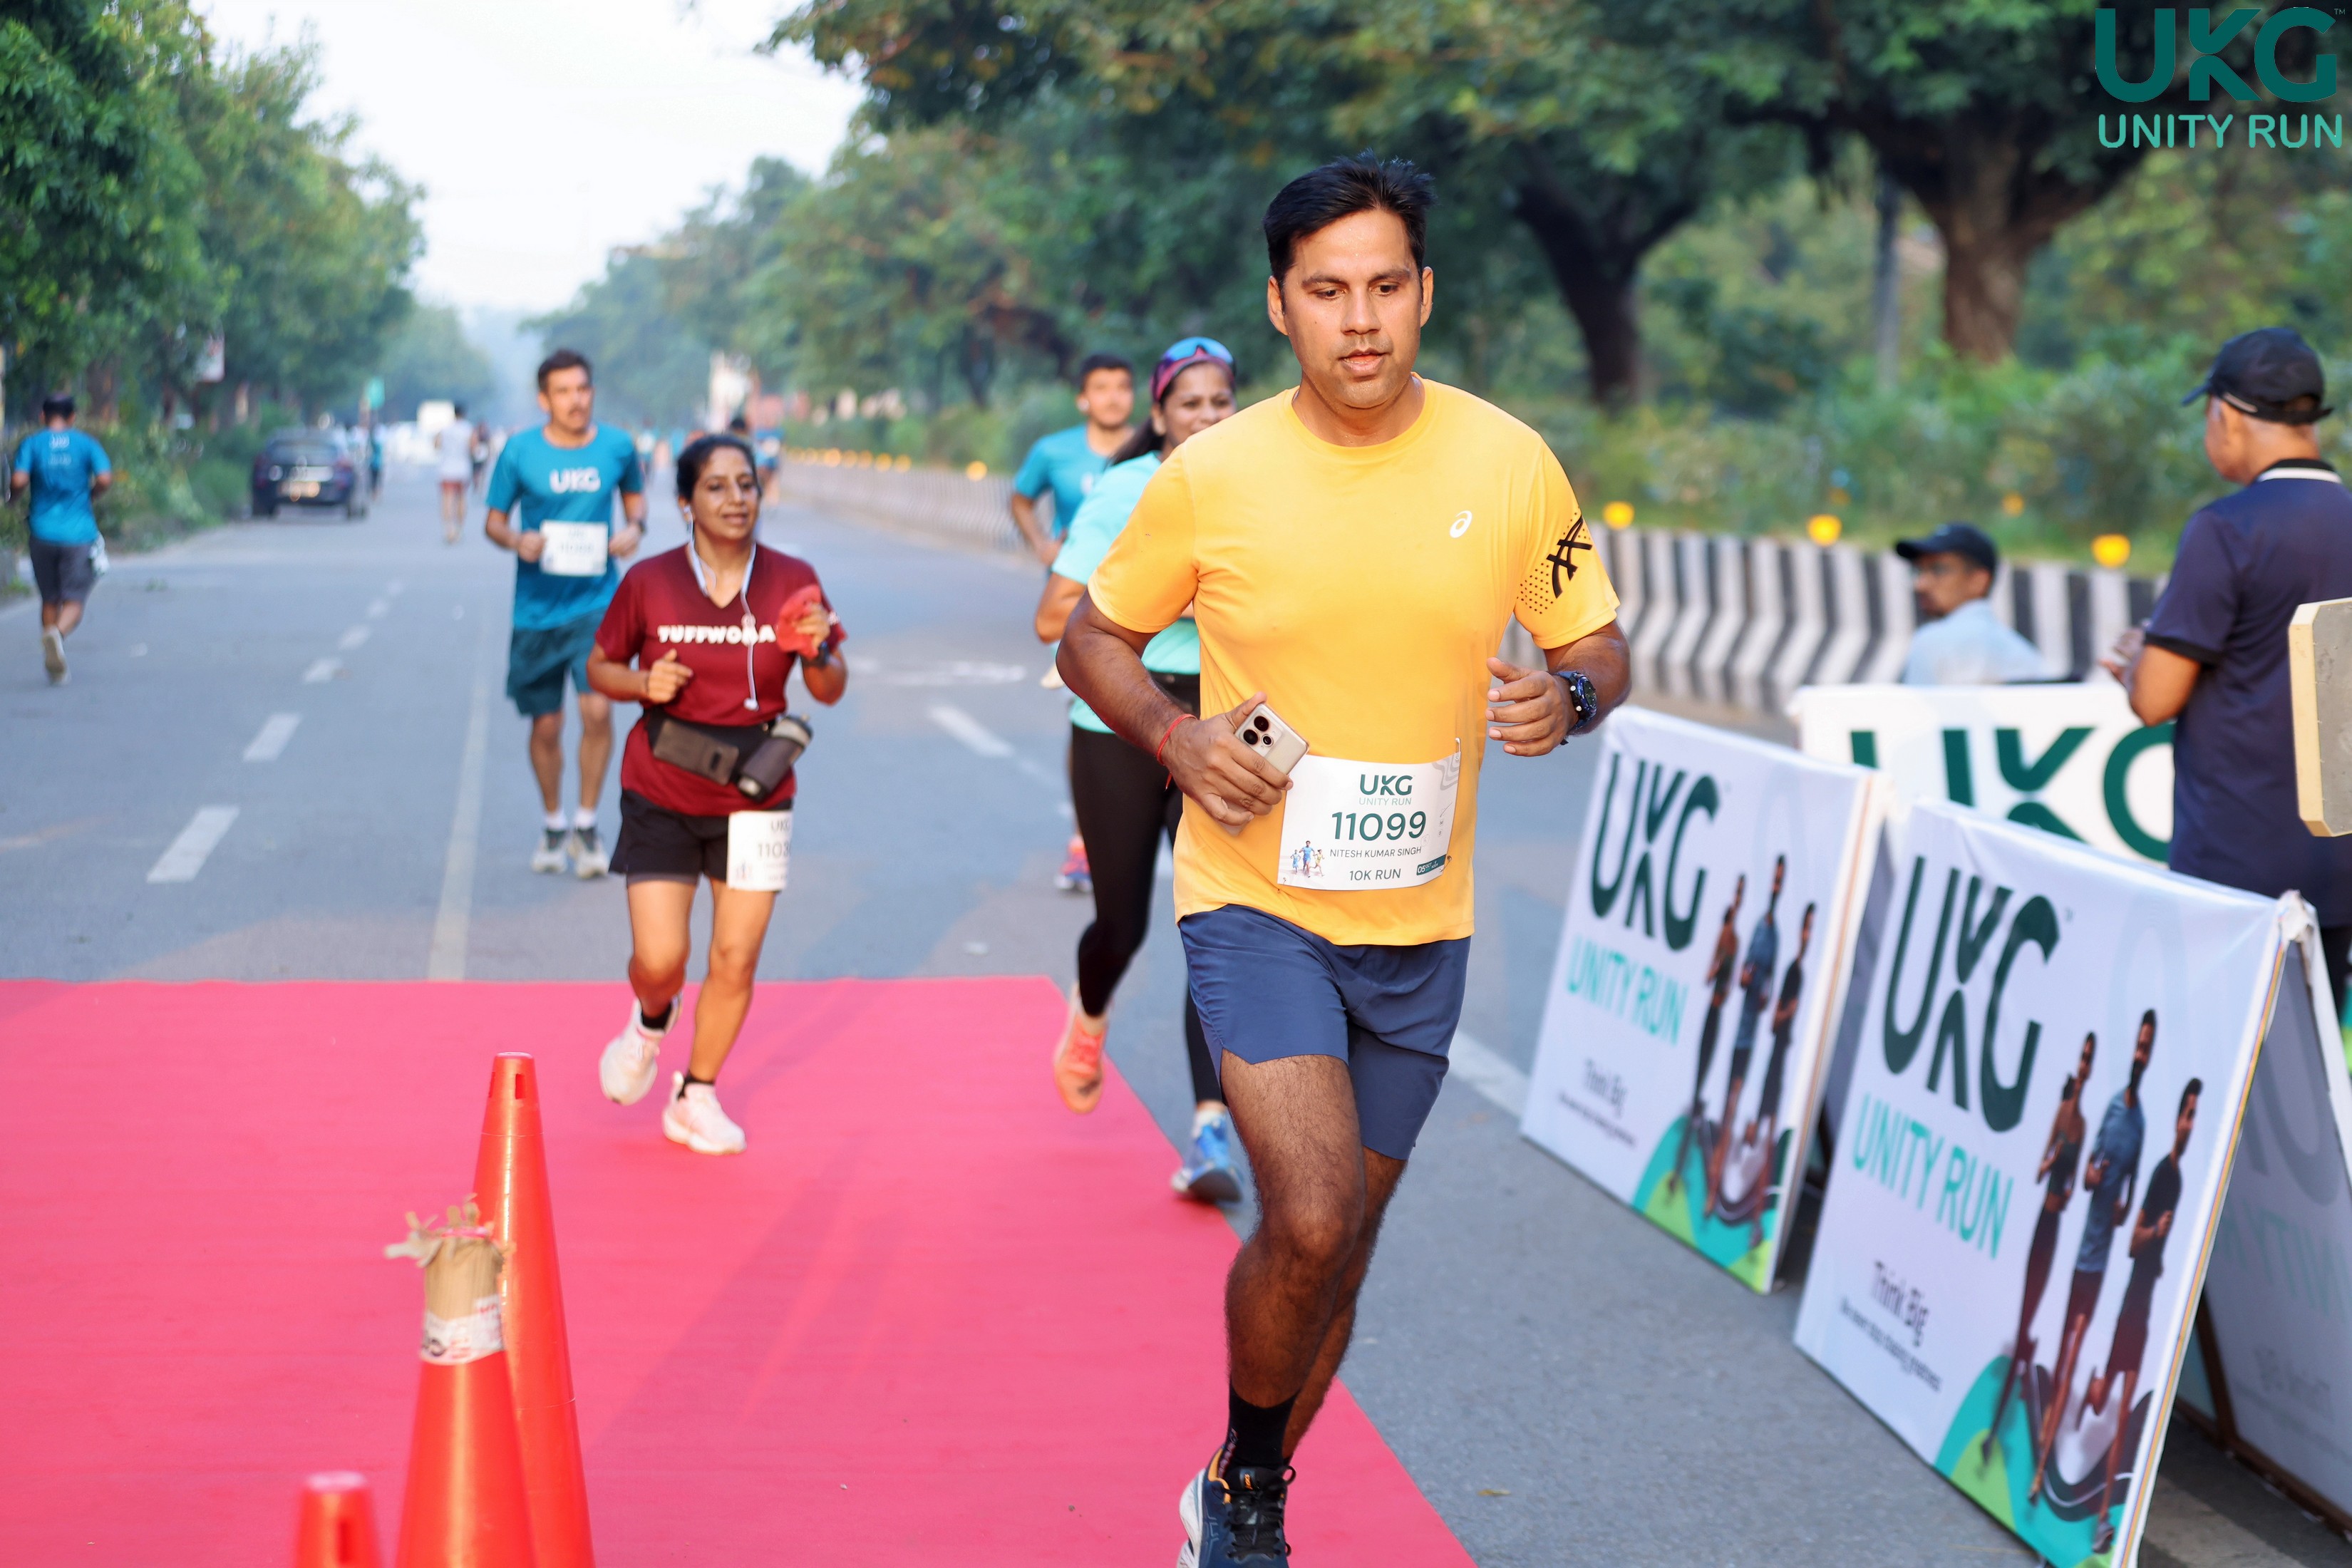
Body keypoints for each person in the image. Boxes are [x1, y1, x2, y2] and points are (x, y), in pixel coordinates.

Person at [1057, 153, 1629, 1566]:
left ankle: (1236, 1479)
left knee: (1344, 1242)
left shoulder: (1510, 462)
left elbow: (1595, 641)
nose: (1359, 320)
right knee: (1309, 1215)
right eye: (1326, 291)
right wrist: (1177, 738)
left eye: (1384, 287)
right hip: (1257, 901)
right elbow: (1092, 635)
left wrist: (1572, 699)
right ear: (1280, 305)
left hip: (1423, 923)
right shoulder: (1213, 474)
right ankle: (1252, 1499)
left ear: (1425, 292)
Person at [586, 433, 845, 1154]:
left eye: (747, 484)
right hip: (662, 787)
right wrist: (643, 683)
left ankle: (695, 1094)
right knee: (661, 960)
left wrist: (819, 647)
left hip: (758, 793)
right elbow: (600, 666)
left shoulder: (794, 578)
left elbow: (829, 687)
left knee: (735, 958)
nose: (736, 499)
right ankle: (650, 1020)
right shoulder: (650, 581)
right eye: (717, 487)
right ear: (686, 503)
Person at [1035, 336, 1244, 1202]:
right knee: (1122, 923)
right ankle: (1089, 1017)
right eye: (1190, 404)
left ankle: (1210, 1129)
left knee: (1219, 929)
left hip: (1224, 726)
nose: (1207, 417)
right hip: (1122, 719)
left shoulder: (1261, 486)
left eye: (1221, 402)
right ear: (1160, 415)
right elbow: (1053, 617)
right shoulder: (1124, 491)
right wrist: (1173, 596)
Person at [2105, 326, 2352, 1008]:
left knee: (2235, 1060)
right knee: (2318, 1058)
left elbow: (2155, 699)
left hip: (2239, 870)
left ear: (2228, 415)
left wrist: (2136, 659)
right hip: (2339, 861)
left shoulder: (2226, 530)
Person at [484, 350, 647, 877]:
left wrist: (635, 530)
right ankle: (553, 822)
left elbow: (636, 501)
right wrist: (517, 540)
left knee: (598, 712)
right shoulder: (520, 451)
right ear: (544, 399)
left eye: (582, 389)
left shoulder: (618, 447)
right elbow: (492, 522)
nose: (576, 400)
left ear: (592, 391)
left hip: (597, 604)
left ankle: (586, 823)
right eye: (563, 392)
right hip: (536, 610)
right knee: (547, 725)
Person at [1013, 352, 1137, 897]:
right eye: (1101, 388)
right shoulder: (1054, 451)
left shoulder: (1155, 450)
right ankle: (1085, 838)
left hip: (1144, 607)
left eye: (1122, 387)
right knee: (1087, 715)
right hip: (1076, 609)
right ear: (1083, 399)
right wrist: (1042, 545)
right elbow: (1020, 498)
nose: (1113, 397)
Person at [2031, 1011, 2154, 1504]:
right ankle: (2043, 1448)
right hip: (2082, 1251)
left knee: (2075, 1348)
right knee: (2063, 1354)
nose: (2140, 1056)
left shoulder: (2140, 1125)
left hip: (2101, 1265)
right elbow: (2086, 1177)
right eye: (2138, 1047)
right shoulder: (2112, 1110)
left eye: (2147, 1049)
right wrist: (2093, 1179)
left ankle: (2042, 1469)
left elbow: (2130, 1200)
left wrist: (2122, 1208)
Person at [2081, 1077, 2198, 1554]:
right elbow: (2133, 1243)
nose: (2190, 1125)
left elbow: (2151, 1251)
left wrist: (2163, 1257)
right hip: (2133, 1305)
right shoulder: (2162, 1174)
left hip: (2146, 1308)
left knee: (2125, 1417)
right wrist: (2155, 1235)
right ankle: (2092, 1386)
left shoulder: (2182, 1180)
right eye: (2187, 1115)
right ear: (2176, 1121)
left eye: (2195, 1117)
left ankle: (2103, 1520)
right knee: (2103, 1403)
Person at [1984, 1032, 2095, 1452]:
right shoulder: (2063, 1113)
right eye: (2082, 1058)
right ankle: (1997, 1428)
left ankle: (2002, 1422)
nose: (2083, 1066)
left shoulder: (2082, 1125)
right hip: (2042, 1225)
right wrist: (2049, 1162)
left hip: (2055, 1227)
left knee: (2029, 1321)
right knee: (2022, 1320)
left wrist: (2068, 1187)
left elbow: (2073, 1188)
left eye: (2089, 1060)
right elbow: (2040, 1169)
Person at [1724, 900, 1814, 1245]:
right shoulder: (1791, 971)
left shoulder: (1801, 972)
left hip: (1784, 1066)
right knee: (1756, 1137)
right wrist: (1787, 1011)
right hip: (1772, 1066)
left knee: (1770, 1143)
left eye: (1811, 929)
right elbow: (1774, 1018)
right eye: (1805, 927)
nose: (1807, 935)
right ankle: (1742, 1212)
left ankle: (1757, 1221)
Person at [12, 393, 113, 686]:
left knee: (50, 597)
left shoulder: (33, 444)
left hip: (41, 532)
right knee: (74, 599)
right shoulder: (86, 444)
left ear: (43, 416)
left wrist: (13, 498)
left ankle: (53, 662)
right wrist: (92, 495)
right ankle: (56, 635)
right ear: (72, 417)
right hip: (78, 534)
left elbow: (18, 481)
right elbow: (105, 478)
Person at [1706, 855, 1783, 1218]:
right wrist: (1746, 979)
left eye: (1780, 882)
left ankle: (1716, 1189)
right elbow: (1742, 977)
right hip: (1738, 1030)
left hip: (1752, 1038)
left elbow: (1768, 992)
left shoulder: (1776, 937)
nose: (1775, 888)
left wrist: (1762, 993)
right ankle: (1713, 1185)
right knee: (1727, 1107)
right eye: (1774, 880)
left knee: (1734, 1107)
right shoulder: (1757, 930)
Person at [1666, 877, 1744, 1197]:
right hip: (1712, 1015)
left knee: (1703, 1089)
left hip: (1717, 1014)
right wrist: (1717, 968)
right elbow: (1710, 976)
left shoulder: (1734, 940)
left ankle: (1685, 1169)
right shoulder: (1725, 937)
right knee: (1697, 1088)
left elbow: (1727, 982)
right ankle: (1679, 1169)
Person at [1896, 522, 2046, 685]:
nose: (1920, 585)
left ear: (1978, 580)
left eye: (1938, 570)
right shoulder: (2026, 654)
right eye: (1918, 571)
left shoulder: (1929, 641)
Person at [437, 404, 475, 544]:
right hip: (462, 469)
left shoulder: (446, 429)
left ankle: (449, 529)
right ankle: (459, 529)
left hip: (447, 469)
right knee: (461, 499)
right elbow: (473, 448)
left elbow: (436, 445)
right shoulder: (468, 429)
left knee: (447, 499)